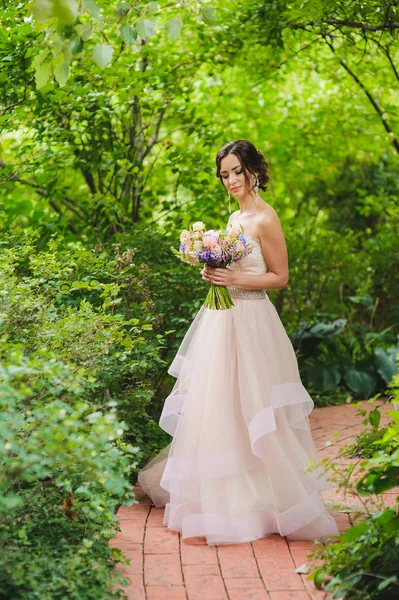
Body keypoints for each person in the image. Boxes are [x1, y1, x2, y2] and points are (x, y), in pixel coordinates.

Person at [137, 139, 339, 545]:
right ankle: (224, 495)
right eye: (224, 174)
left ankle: (268, 497)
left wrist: (236, 279)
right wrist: (213, 273)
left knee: (255, 404)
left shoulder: (265, 218)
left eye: (236, 172)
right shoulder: (233, 218)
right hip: (221, 320)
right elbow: (229, 267)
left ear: (254, 171)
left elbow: (279, 277)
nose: (230, 180)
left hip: (253, 321)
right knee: (221, 403)